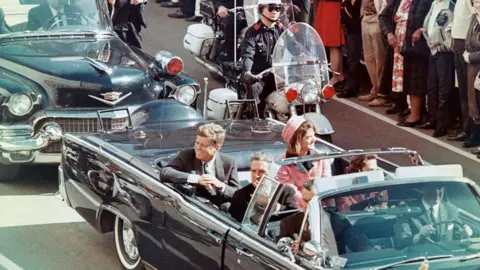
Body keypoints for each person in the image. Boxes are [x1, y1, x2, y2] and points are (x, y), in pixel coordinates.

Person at [279, 181, 374, 254]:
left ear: (323, 202)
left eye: (313, 202)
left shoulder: (338, 221)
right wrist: (293, 249)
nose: (309, 206)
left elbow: (359, 241)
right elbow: (282, 252)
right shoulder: (288, 224)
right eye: (305, 200)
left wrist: (368, 250)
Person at [379, 0, 432, 127]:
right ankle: (409, 109)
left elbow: (431, 19)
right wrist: (389, 33)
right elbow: (383, 15)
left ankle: (416, 115)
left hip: (416, 45)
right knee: (405, 79)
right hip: (399, 45)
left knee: (416, 78)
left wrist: (421, 29)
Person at [160, 123, 240, 207]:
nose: (197, 147)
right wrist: (197, 179)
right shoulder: (187, 155)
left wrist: (221, 186)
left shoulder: (229, 162)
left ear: (216, 148)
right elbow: (165, 173)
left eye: (203, 145)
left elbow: (239, 195)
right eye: (197, 143)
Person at [240, 0, 285, 117]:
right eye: (271, 8)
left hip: (278, 77)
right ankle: (255, 121)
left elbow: (294, 48)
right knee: (254, 91)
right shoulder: (252, 32)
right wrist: (247, 72)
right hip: (259, 77)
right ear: (261, 10)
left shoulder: (282, 30)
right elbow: (247, 54)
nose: (275, 11)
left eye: (278, 8)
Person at [276, 115, 332, 207]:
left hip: (321, 203)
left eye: (314, 136)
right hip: (297, 207)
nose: (314, 139)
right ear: (297, 140)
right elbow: (290, 190)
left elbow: (326, 182)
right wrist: (307, 203)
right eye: (308, 137)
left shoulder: (321, 157)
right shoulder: (284, 162)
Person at [394, 185, 473, 249]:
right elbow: (401, 242)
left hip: (446, 260)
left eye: (439, 188)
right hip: (418, 260)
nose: (437, 193)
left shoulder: (451, 209)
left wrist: (464, 234)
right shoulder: (407, 210)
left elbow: (457, 237)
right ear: (422, 189)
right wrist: (419, 236)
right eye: (432, 188)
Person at [229, 152, 297, 222]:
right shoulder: (240, 194)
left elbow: (294, 215)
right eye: (253, 171)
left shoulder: (285, 191)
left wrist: (271, 204)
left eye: (261, 171)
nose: (256, 175)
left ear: (271, 173)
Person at [421, 0, 455, 137]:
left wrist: (442, 47)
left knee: (443, 89)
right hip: (432, 50)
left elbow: (451, 31)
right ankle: (433, 119)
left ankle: (442, 124)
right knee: (431, 87)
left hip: (443, 53)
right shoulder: (434, 3)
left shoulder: (450, 6)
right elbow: (427, 25)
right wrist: (429, 43)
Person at [448, 0, 475, 142]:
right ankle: (466, 128)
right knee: (463, 90)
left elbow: (475, 15)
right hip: (458, 39)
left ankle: (471, 130)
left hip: (467, 40)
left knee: (469, 90)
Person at [313, 0, 346, 88]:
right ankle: (338, 76)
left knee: (333, 45)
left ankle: (336, 77)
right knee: (334, 46)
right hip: (327, 7)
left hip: (332, 8)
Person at [463, 0, 480, 148]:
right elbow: (468, 38)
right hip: (472, 64)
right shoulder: (475, 18)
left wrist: (470, 56)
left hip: (476, 62)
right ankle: (475, 133)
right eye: (475, 2)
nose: (478, 5)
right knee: (473, 100)